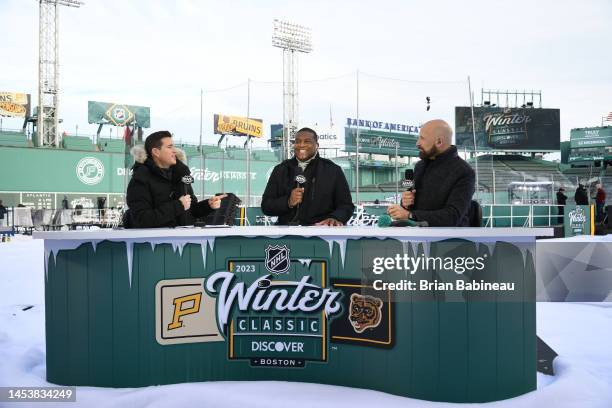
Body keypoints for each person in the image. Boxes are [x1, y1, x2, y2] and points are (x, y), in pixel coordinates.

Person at [125, 130, 226, 228]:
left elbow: (191, 210)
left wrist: (208, 205)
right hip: (154, 243)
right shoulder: (140, 179)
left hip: (183, 242)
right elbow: (142, 219)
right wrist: (178, 206)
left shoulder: (181, 174)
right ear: (156, 152)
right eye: (169, 147)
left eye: (173, 146)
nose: (174, 150)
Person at [387, 119, 475, 226]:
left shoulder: (464, 172)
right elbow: (413, 209)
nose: (417, 143)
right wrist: (406, 203)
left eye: (422, 139)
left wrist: (410, 215)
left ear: (439, 142)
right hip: (419, 236)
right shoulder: (420, 166)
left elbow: (453, 216)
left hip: (450, 240)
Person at [261, 127, 354, 226]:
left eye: (307, 141)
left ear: (316, 145)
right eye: (297, 141)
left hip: (320, 234)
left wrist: (336, 217)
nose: (301, 145)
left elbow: (346, 205)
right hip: (287, 235)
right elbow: (266, 206)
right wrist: (288, 202)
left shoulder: (333, 170)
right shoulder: (280, 170)